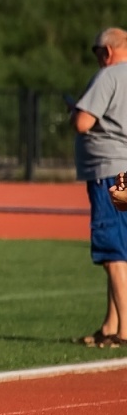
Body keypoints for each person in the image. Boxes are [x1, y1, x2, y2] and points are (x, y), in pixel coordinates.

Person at [71, 29, 127, 350]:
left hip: (110, 171)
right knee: (121, 242)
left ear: (107, 51)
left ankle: (124, 330)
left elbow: (83, 123)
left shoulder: (108, 77)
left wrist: (72, 115)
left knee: (113, 249)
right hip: (125, 174)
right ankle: (111, 324)